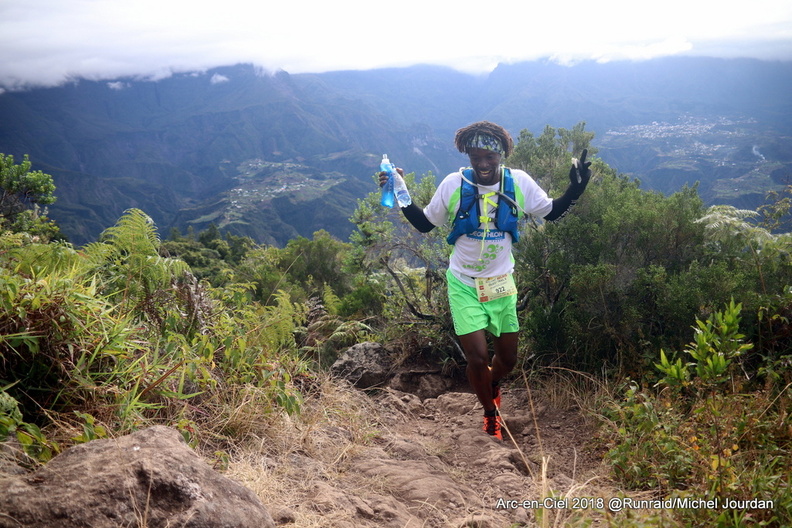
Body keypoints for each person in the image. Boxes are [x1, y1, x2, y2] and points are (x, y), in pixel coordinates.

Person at [379, 121, 591, 440]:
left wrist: (575, 190)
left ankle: (491, 382)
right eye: (476, 157)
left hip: (500, 283)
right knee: (477, 358)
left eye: (490, 157)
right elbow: (424, 224)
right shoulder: (454, 184)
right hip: (464, 283)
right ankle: (490, 413)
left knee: (508, 359)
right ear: (468, 156)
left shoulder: (518, 183)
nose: (483, 164)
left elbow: (551, 212)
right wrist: (399, 190)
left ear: (501, 155)